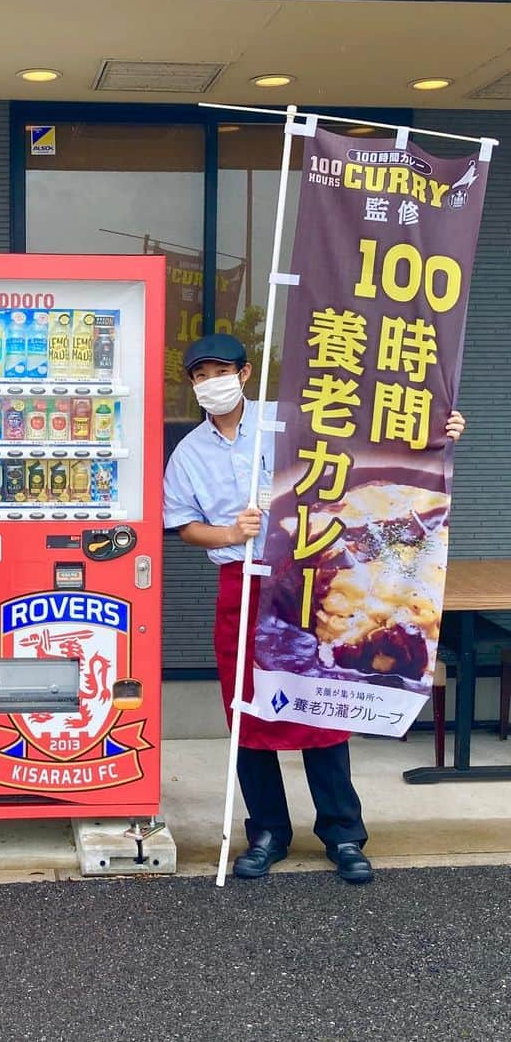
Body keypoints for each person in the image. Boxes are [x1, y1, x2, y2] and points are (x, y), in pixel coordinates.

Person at [163, 333, 464, 885]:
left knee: (323, 705)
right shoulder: (188, 452)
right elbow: (183, 526)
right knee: (248, 715)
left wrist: (435, 433)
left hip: (311, 580)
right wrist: (229, 531)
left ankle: (344, 833)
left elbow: (368, 435)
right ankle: (267, 833)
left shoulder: (288, 420)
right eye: (200, 375)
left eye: (220, 371)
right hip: (242, 584)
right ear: (191, 384)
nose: (212, 383)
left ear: (246, 373)